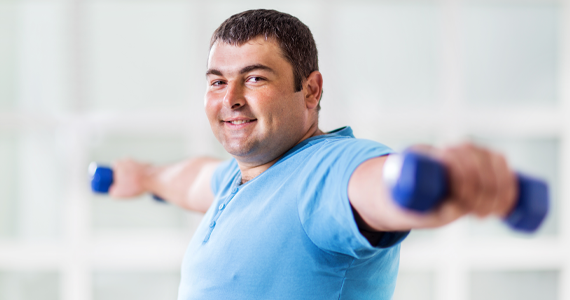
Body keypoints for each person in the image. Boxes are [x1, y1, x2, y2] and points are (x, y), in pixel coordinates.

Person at [108, 9, 517, 300]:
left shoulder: (325, 172)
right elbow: (195, 180)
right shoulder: (243, 177)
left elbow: (375, 188)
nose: (230, 99)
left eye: (254, 78)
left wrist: (437, 179)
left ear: (311, 90)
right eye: (217, 82)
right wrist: (144, 177)